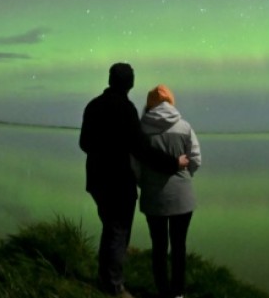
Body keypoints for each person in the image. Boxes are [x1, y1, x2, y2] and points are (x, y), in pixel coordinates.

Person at [79, 63, 189, 298]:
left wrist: (103, 149)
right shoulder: (125, 109)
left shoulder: (93, 106)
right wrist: (173, 164)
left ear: (110, 80)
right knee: (118, 231)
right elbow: (141, 149)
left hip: (97, 180)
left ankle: (106, 278)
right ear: (130, 83)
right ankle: (114, 286)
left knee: (110, 228)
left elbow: (84, 144)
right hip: (118, 181)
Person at [133, 84, 201, 298]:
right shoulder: (184, 127)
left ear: (149, 103)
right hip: (182, 196)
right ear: (171, 102)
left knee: (159, 246)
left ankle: (163, 291)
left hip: (154, 197)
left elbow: (134, 166)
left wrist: (144, 182)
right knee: (179, 245)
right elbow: (196, 160)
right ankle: (178, 293)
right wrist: (184, 175)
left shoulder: (141, 129)